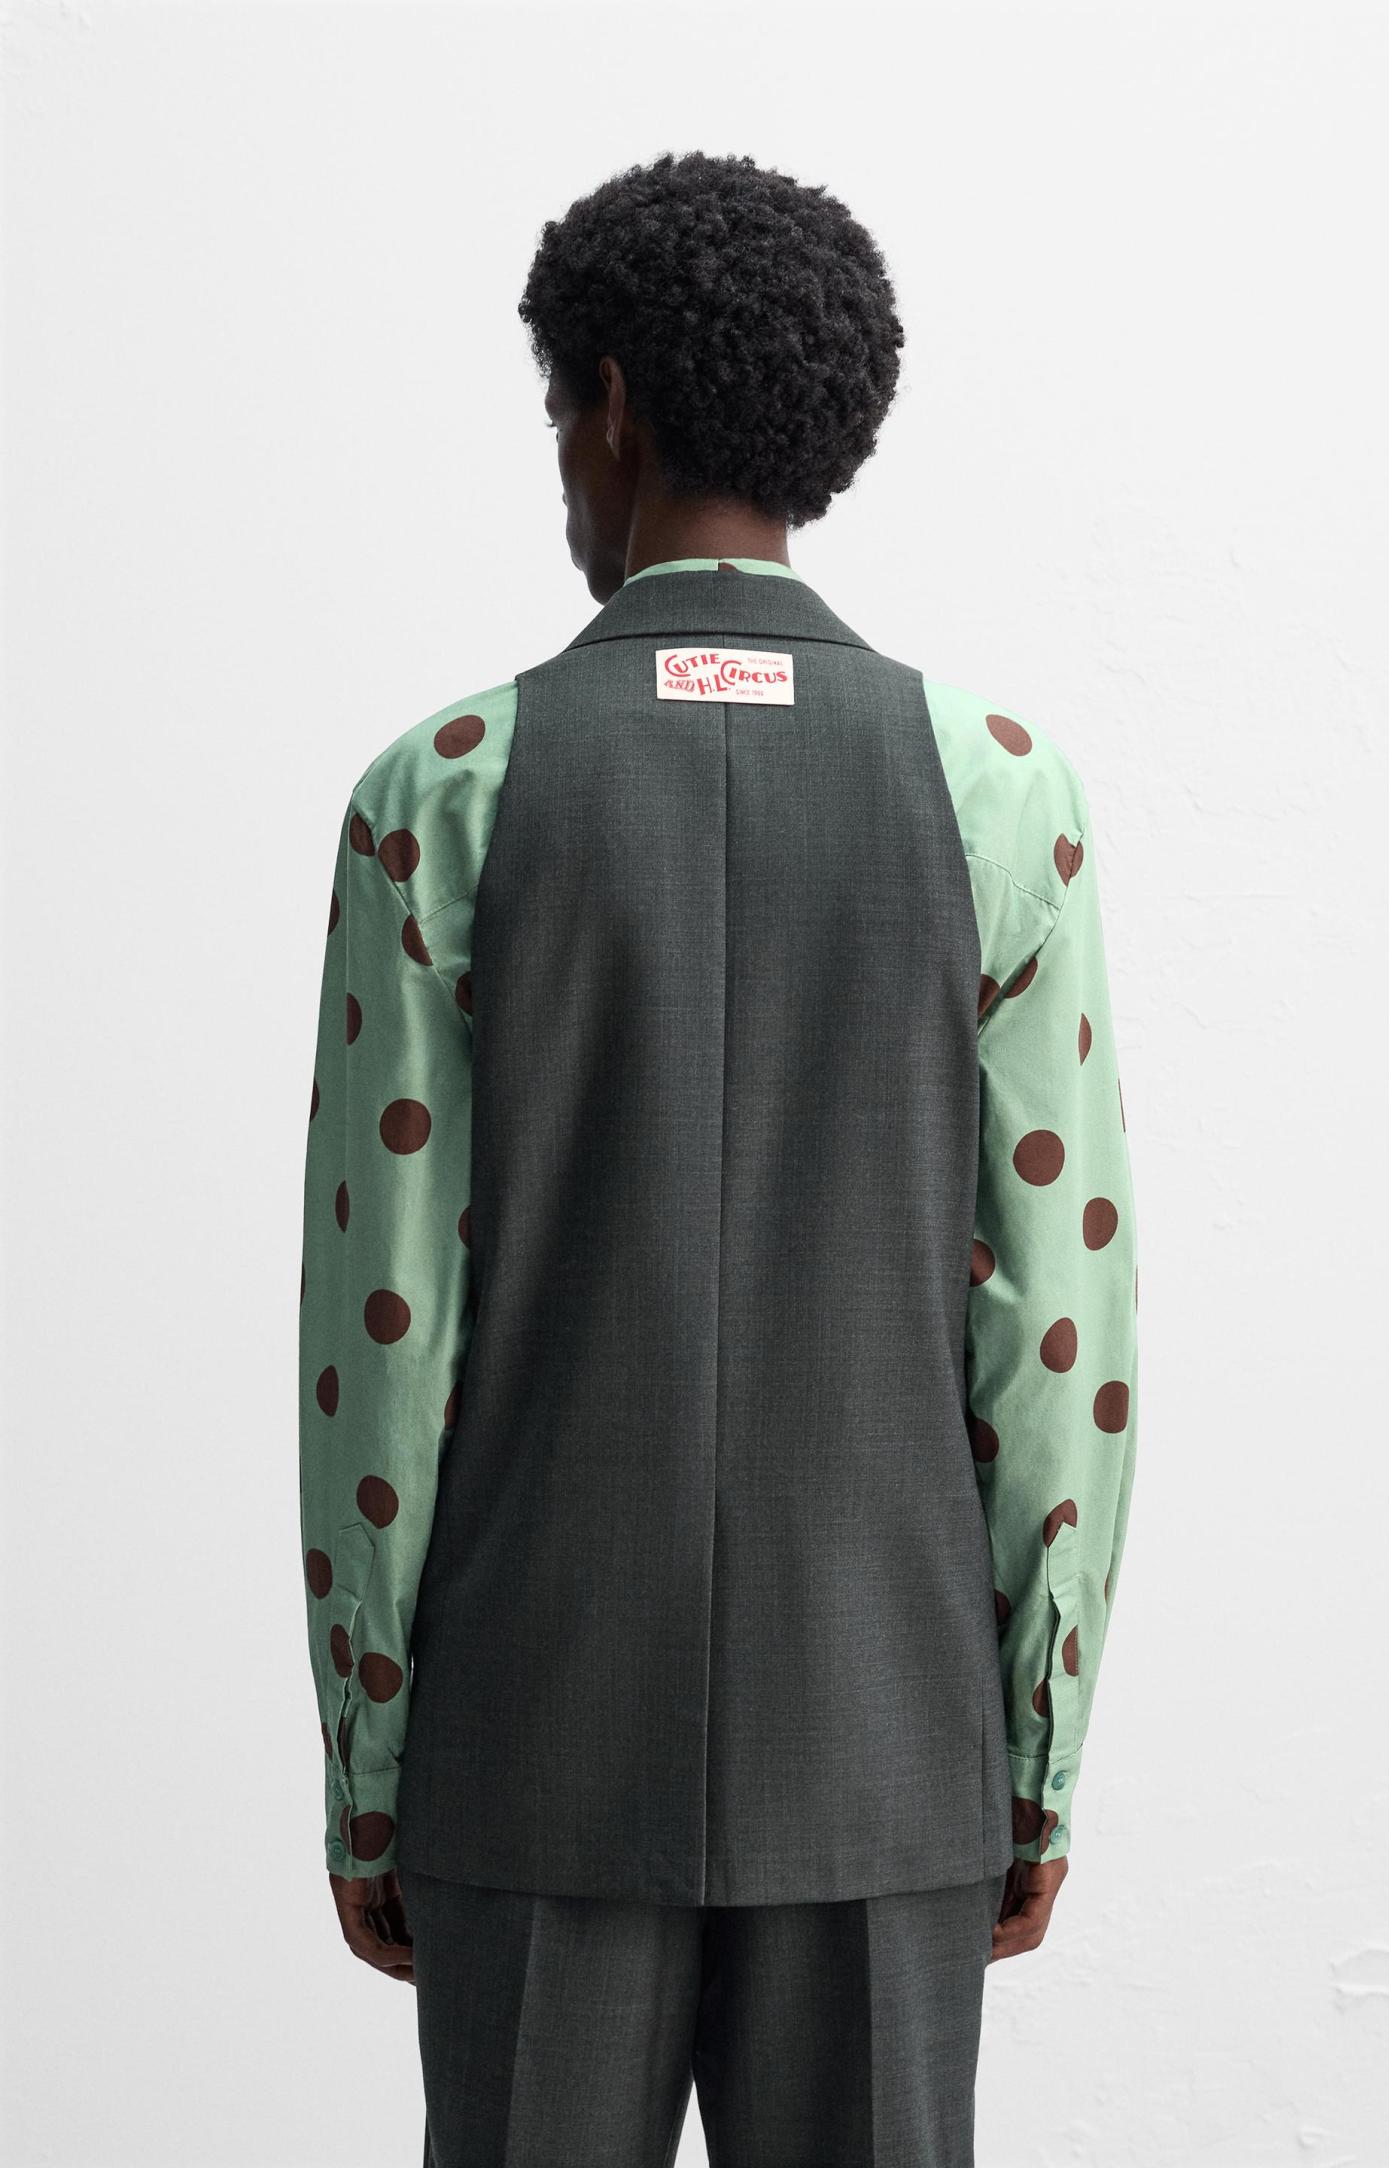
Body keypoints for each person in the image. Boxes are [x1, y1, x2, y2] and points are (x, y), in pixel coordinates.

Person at [298, 147, 1139, 2168]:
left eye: (556, 418)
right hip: (891, 1739)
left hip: (529, 1740)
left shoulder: (445, 792)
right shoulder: (996, 789)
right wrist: (1033, 1747)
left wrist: (373, 1758)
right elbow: (1059, 1332)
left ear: (608, 406)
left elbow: (383, 1332)